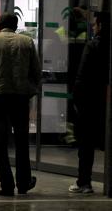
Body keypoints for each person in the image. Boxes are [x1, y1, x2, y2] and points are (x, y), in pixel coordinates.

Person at [0, 12, 40, 196]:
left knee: (0, 142)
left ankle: (6, 184)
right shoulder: (27, 42)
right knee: (21, 141)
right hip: (20, 97)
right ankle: (23, 182)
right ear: (16, 25)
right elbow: (36, 71)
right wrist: (30, 90)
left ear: (0, 24)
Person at [69, 11, 110, 194]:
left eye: (95, 24)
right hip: (106, 103)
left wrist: (77, 102)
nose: (93, 27)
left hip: (90, 103)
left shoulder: (92, 46)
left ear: (100, 26)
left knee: (86, 145)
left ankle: (84, 182)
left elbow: (82, 77)